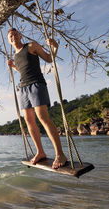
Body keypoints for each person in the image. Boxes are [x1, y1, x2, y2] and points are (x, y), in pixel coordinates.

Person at [6, 28, 67, 169]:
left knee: (42, 118)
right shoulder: (15, 55)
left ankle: (60, 154)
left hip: (36, 84)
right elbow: (22, 69)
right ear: (9, 41)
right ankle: (40, 152)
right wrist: (13, 67)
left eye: (15, 34)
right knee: (28, 121)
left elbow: (49, 58)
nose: (13, 37)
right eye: (11, 36)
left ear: (20, 35)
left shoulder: (31, 46)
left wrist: (55, 47)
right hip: (23, 88)